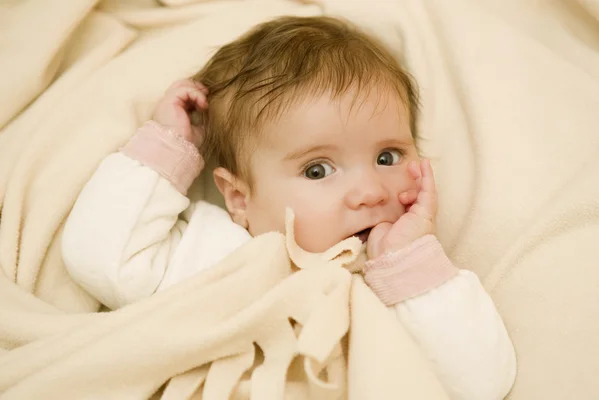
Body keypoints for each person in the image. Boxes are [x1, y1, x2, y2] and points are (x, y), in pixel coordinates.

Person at [62, 16, 516, 399]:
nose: (371, 191)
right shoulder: (217, 252)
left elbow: (478, 384)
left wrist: (410, 264)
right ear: (239, 198)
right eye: (318, 170)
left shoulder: (406, 288)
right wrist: (166, 149)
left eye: (387, 157)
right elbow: (101, 257)